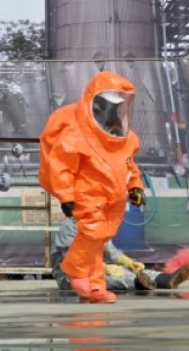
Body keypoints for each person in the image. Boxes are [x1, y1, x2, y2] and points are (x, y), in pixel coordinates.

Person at [39, 71, 144, 304]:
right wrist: (66, 196)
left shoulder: (123, 138)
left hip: (114, 197)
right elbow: (60, 166)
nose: (113, 110)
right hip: (87, 193)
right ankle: (75, 268)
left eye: (119, 104)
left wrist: (135, 186)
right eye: (109, 104)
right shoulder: (77, 135)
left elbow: (129, 165)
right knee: (92, 232)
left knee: (100, 239)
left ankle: (95, 288)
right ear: (95, 102)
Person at [51, 217, 189, 293]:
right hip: (71, 276)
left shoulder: (98, 226)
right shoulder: (69, 229)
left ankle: (164, 279)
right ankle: (138, 283)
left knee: (127, 271)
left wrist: (127, 261)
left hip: (94, 268)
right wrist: (104, 267)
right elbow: (74, 260)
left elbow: (111, 251)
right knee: (107, 278)